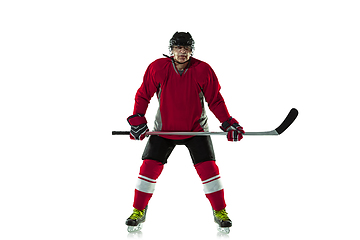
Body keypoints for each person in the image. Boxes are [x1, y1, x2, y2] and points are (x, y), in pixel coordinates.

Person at [125, 32, 245, 233]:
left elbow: (215, 99)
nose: (182, 52)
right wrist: (137, 118)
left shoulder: (203, 70)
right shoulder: (157, 68)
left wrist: (227, 122)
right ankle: (138, 210)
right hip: (164, 130)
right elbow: (143, 94)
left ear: (192, 50)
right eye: (178, 48)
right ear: (171, 50)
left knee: (210, 172)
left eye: (186, 48)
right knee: (147, 169)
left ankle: (220, 211)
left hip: (196, 130)